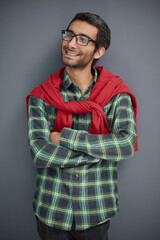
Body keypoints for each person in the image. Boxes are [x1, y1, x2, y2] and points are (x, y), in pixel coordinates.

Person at [26, 12, 138, 240]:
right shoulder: (43, 95)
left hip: (95, 212)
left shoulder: (115, 94)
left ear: (99, 51)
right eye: (69, 35)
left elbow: (126, 144)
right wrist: (99, 154)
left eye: (83, 39)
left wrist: (64, 138)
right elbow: (39, 152)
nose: (71, 43)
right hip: (51, 211)